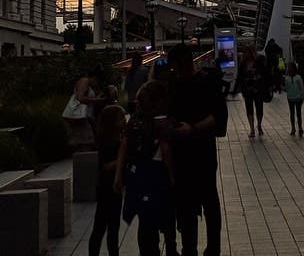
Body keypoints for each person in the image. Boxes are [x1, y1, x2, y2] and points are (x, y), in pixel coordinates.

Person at [167, 42, 223, 256]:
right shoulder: (175, 85)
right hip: (185, 153)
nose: (175, 71)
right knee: (190, 203)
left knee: (206, 200)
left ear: (184, 63)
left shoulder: (206, 82)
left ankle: (211, 248)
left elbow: (218, 116)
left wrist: (192, 129)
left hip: (200, 151)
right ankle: (191, 248)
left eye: (176, 66)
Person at [117, 80, 177, 256]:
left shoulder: (134, 121)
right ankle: (170, 248)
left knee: (145, 221)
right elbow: (165, 150)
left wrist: (118, 175)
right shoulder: (162, 122)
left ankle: (148, 251)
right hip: (158, 174)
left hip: (139, 175)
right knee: (167, 217)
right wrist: (172, 176)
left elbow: (124, 145)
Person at [89, 103, 126, 256]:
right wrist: (122, 159)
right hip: (106, 188)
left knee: (113, 228)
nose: (124, 120)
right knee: (102, 226)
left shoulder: (116, 139)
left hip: (113, 189)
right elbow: (106, 166)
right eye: (121, 118)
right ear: (112, 122)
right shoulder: (108, 142)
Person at [63, 72, 103, 152]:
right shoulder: (84, 81)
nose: (97, 84)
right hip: (81, 117)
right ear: (94, 78)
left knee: (83, 142)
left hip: (84, 117)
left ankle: (81, 157)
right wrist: (98, 100)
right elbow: (80, 98)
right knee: (85, 142)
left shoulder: (89, 85)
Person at [235, 47, 269, 138]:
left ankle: (259, 125)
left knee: (259, 109)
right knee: (249, 109)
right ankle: (252, 129)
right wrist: (236, 89)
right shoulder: (243, 64)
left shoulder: (258, 62)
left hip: (258, 89)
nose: (247, 54)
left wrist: (265, 86)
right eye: (245, 53)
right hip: (247, 90)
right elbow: (239, 77)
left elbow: (264, 74)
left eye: (248, 52)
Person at [283, 59, 304, 137]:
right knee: (296, 113)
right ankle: (297, 128)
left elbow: (287, 88)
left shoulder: (291, 78)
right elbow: (301, 88)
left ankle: (296, 128)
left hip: (294, 98)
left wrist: (302, 96)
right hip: (294, 98)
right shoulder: (294, 78)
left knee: (294, 113)